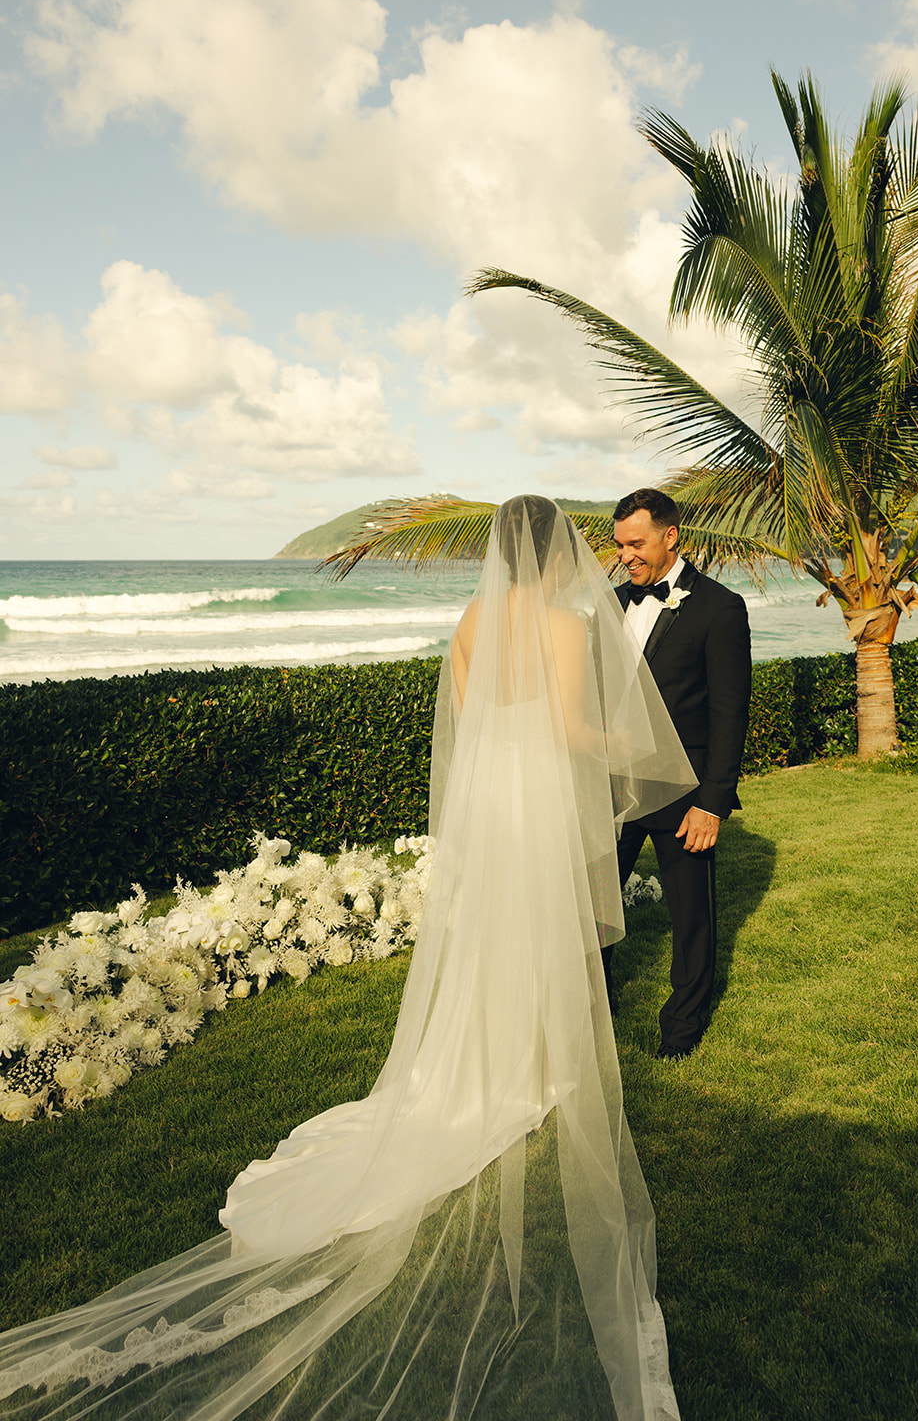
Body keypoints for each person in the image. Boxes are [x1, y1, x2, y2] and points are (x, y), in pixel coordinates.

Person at [0, 496, 698, 1421]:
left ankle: (483, 1062)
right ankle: (525, 1067)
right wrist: (637, 745)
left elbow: (463, 714)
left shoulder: (476, 616)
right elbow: (570, 733)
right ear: (556, 555)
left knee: (489, 932)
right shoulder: (568, 624)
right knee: (534, 931)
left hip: (488, 796)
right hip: (530, 795)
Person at [607, 488, 752, 1061]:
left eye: (636, 544)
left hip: (684, 793)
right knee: (594, 910)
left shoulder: (720, 607)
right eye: (619, 546)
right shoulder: (609, 603)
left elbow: (728, 711)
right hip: (610, 787)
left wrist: (712, 801)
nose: (626, 556)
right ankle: (595, 1014)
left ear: (671, 536)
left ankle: (682, 1029)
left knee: (691, 919)